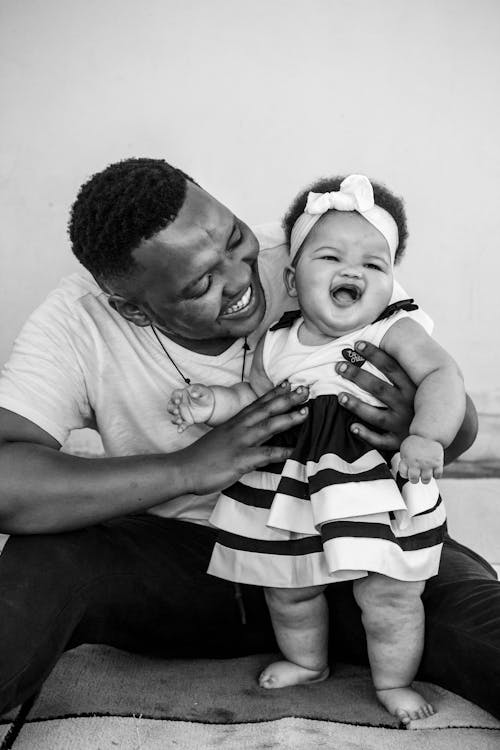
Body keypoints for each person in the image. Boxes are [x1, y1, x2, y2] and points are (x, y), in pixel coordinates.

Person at [0, 159, 498, 722]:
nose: (240, 280)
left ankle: (373, 654)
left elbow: (454, 421)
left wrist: (416, 423)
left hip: (365, 534)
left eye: (235, 240)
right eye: (201, 285)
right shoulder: (78, 321)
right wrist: (189, 468)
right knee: (45, 557)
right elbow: (7, 484)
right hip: (203, 563)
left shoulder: (320, 249)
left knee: (476, 623)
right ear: (135, 310)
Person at [167, 174, 465, 724]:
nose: (354, 271)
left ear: (391, 283)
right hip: (290, 488)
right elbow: (252, 396)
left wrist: (428, 435)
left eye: (375, 265)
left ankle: (394, 681)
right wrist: (211, 403)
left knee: (390, 596)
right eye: (330, 257)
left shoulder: (392, 330)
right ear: (292, 277)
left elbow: (443, 376)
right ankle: (307, 662)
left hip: (375, 484)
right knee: (289, 590)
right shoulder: (277, 339)